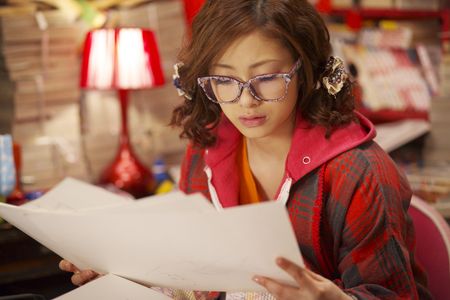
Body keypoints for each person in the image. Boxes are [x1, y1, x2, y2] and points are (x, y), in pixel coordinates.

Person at [61, 0, 432, 299]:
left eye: (267, 78)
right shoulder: (206, 149)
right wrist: (126, 277)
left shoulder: (358, 171)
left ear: (306, 73)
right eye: (224, 80)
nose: (245, 101)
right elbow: (194, 274)